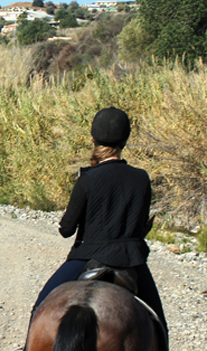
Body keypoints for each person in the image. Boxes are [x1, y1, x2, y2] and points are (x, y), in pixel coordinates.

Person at [30, 107, 168, 334]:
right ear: (125, 140)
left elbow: (66, 230)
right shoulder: (141, 178)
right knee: (159, 323)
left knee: (40, 308)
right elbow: (140, 224)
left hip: (87, 257)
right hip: (130, 260)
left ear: (93, 138)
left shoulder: (87, 179)